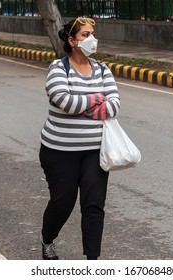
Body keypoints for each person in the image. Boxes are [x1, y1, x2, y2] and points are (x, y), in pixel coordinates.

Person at [39, 17, 120, 260]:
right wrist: (97, 99)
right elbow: (64, 101)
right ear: (72, 41)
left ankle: (92, 263)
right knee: (63, 203)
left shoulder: (103, 70)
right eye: (85, 35)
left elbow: (114, 106)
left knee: (94, 206)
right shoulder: (58, 69)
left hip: (95, 151)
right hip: (59, 151)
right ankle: (47, 239)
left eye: (92, 34)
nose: (91, 39)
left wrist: (80, 106)